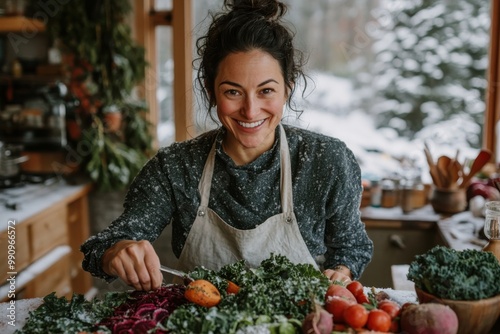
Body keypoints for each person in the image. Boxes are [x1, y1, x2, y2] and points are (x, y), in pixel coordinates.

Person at [81, 0, 373, 291]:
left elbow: (352, 247)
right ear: (211, 91)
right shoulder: (176, 166)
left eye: (266, 91)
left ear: (288, 89)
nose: (250, 110)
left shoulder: (326, 160)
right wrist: (116, 251)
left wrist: (341, 270)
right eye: (233, 91)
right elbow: (101, 247)